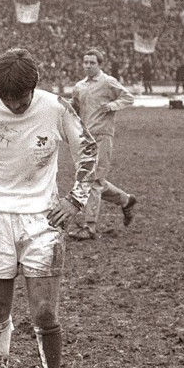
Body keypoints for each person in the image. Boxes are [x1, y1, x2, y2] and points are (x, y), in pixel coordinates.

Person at [0, 48, 98, 368]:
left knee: (45, 313)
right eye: (6, 98)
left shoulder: (55, 108)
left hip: (42, 222)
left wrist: (75, 200)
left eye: (20, 98)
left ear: (33, 88)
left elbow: (88, 149)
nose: (13, 105)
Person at [68, 48, 137, 240]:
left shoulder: (108, 82)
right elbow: (75, 107)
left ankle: (89, 226)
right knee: (91, 180)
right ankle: (126, 200)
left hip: (103, 136)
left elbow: (128, 97)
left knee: (93, 180)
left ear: (99, 65)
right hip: (85, 138)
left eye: (92, 63)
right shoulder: (79, 86)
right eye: (85, 62)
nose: (88, 66)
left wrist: (112, 106)